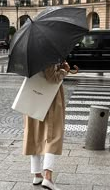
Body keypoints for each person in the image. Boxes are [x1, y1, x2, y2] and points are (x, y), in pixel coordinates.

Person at [23, 61, 71, 190]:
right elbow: (52, 78)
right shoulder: (48, 55)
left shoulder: (33, 54)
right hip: (49, 101)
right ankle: (48, 177)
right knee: (53, 136)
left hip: (33, 98)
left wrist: (58, 66)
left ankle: (37, 174)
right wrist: (64, 71)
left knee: (35, 134)